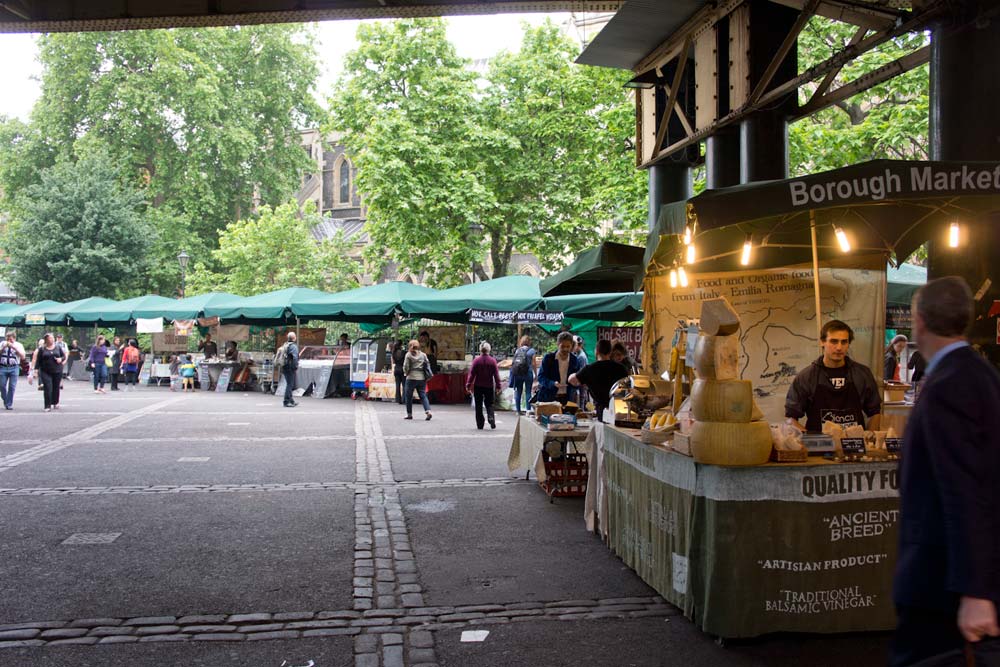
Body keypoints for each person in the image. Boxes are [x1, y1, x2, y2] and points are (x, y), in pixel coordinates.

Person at [890, 276, 1000, 666]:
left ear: (918, 321)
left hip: (941, 583)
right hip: (952, 577)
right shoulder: (981, 374)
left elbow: (964, 491)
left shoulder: (950, 385)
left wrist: (975, 591)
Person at [784, 320, 881, 433]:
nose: (839, 347)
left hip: (853, 446)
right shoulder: (806, 377)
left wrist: (870, 439)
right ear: (822, 342)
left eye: (844, 342)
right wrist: (810, 440)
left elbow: (875, 412)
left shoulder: (862, 374)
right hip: (819, 448)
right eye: (834, 341)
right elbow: (790, 418)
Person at [569, 339, 629, 423]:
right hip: (620, 410)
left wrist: (582, 379)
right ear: (610, 352)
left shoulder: (589, 369)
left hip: (601, 411)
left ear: (596, 351)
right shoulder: (621, 368)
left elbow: (572, 380)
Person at [536, 331, 582, 405]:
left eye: (568, 346)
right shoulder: (549, 358)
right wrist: (553, 383)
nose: (565, 349)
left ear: (571, 346)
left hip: (567, 398)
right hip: (548, 398)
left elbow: (578, 378)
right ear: (558, 344)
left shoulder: (574, 360)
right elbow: (541, 377)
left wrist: (577, 383)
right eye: (562, 346)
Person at [466, 341, 502, 430]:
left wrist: (468, 384)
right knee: (489, 403)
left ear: (480, 350)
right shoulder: (493, 361)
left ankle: (480, 424)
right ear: (489, 349)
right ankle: (491, 417)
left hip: (478, 386)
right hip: (489, 386)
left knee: (478, 405)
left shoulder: (476, 361)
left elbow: (472, 374)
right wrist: (498, 386)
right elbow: (496, 375)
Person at [30, 333, 66, 412]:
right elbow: (38, 361)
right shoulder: (42, 349)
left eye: (53, 338)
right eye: (50, 338)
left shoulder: (58, 347)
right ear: (46, 340)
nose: (52, 339)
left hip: (57, 370)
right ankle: (47, 405)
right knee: (48, 387)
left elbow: (64, 356)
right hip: (45, 371)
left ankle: (55, 402)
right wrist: (35, 371)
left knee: (56, 387)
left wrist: (60, 359)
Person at [402, 339, 432, 421]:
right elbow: (427, 364)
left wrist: (406, 373)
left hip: (411, 377)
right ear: (418, 345)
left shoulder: (408, 355)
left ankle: (409, 414)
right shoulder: (423, 355)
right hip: (421, 378)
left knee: (408, 396)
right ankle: (428, 411)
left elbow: (405, 366)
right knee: (423, 395)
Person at [509, 335, 537, 416]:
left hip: (518, 373)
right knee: (528, 392)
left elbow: (513, 362)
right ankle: (528, 410)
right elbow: (534, 363)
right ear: (529, 342)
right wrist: (536, 374)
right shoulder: (532, 351)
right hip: (528, 373)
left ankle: (518, 411)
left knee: (518, 391)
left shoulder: (517, 350)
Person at [0, 331, 26, 410]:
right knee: (2, 385)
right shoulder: (2, 344)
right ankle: (6, 400)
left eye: (10, 339)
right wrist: (3, 347)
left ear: (14, 338)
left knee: (12, 386)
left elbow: (23, 357)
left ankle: (9, 403)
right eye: (7, 339)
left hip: (14, 367)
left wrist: (14, 348)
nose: (9, 341)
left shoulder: (19, 345)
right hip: (3, 367)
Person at [278, 332, 299, 408]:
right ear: (294, 338)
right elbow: (295, 358)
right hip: (290, 367)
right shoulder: (293, 346)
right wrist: (295, 367)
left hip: (285, 366)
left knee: (290, 383)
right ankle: (286, 401)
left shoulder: (285, 344)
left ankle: (291, 400)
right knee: (290, 384)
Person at [391, 339, 406, 405]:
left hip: (396, 369)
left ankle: (398, 399)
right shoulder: (404, 352)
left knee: (397, 385)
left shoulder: (393, 352)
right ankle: (404, 399)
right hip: (402, 369)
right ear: (401, 345)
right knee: (404, 385)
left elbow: (393, 362)